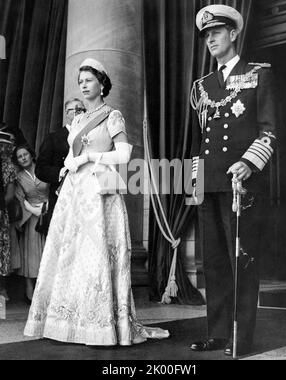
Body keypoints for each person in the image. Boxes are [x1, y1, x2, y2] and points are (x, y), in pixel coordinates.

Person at [24, 58, 169, 346]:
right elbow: (68, 157)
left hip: (101, 189)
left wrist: (91, 157)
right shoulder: (76, 120)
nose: (83, 85)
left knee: (97, 253)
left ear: (102, 83)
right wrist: (67, 165)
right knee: (73, 255)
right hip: (75, 193)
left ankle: (101, 326)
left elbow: (125, 155)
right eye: (80, 81)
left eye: (88, 80)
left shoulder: (113, 115)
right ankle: (71, 323)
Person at [189, 5, 277, 356]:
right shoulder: (203, 86)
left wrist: (248, 163)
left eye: (216, 32)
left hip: (241, 184)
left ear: (233, 33)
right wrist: (195, 184)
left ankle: (243, 337)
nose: (210, 38)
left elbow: (269, 130)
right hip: (210, 183)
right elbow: (200, 139)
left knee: (242, 260)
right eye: (206, 34)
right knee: (213, 263)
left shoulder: (258, 74)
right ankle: (220, 334)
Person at [35, 98, 85, 234]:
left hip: (84, 196)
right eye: (74, 109)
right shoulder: (53, 138)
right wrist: (60, 172)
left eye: (82, 109)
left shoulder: (89, 137)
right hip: (60, 196)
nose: (78, 113)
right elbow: (40, 169)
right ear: (66, 113)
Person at [13, 144, 49, 303]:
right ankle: (29, 288)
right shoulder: (19, 177)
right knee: (32, 254)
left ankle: (49, 290)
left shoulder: (43, 169)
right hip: (31, 217)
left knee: (50, 251)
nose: (23, 158)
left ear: (31, 155)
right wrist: (31, 209)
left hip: (50, 212)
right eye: (20, 157)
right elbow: (19, 199)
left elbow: (55, 188)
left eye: (25, 154)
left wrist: (47, 206)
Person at [0, 126, 18, 301]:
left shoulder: (8, 167)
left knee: (1, 250)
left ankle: (1, 291)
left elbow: (10, 195)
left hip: (0, 213)